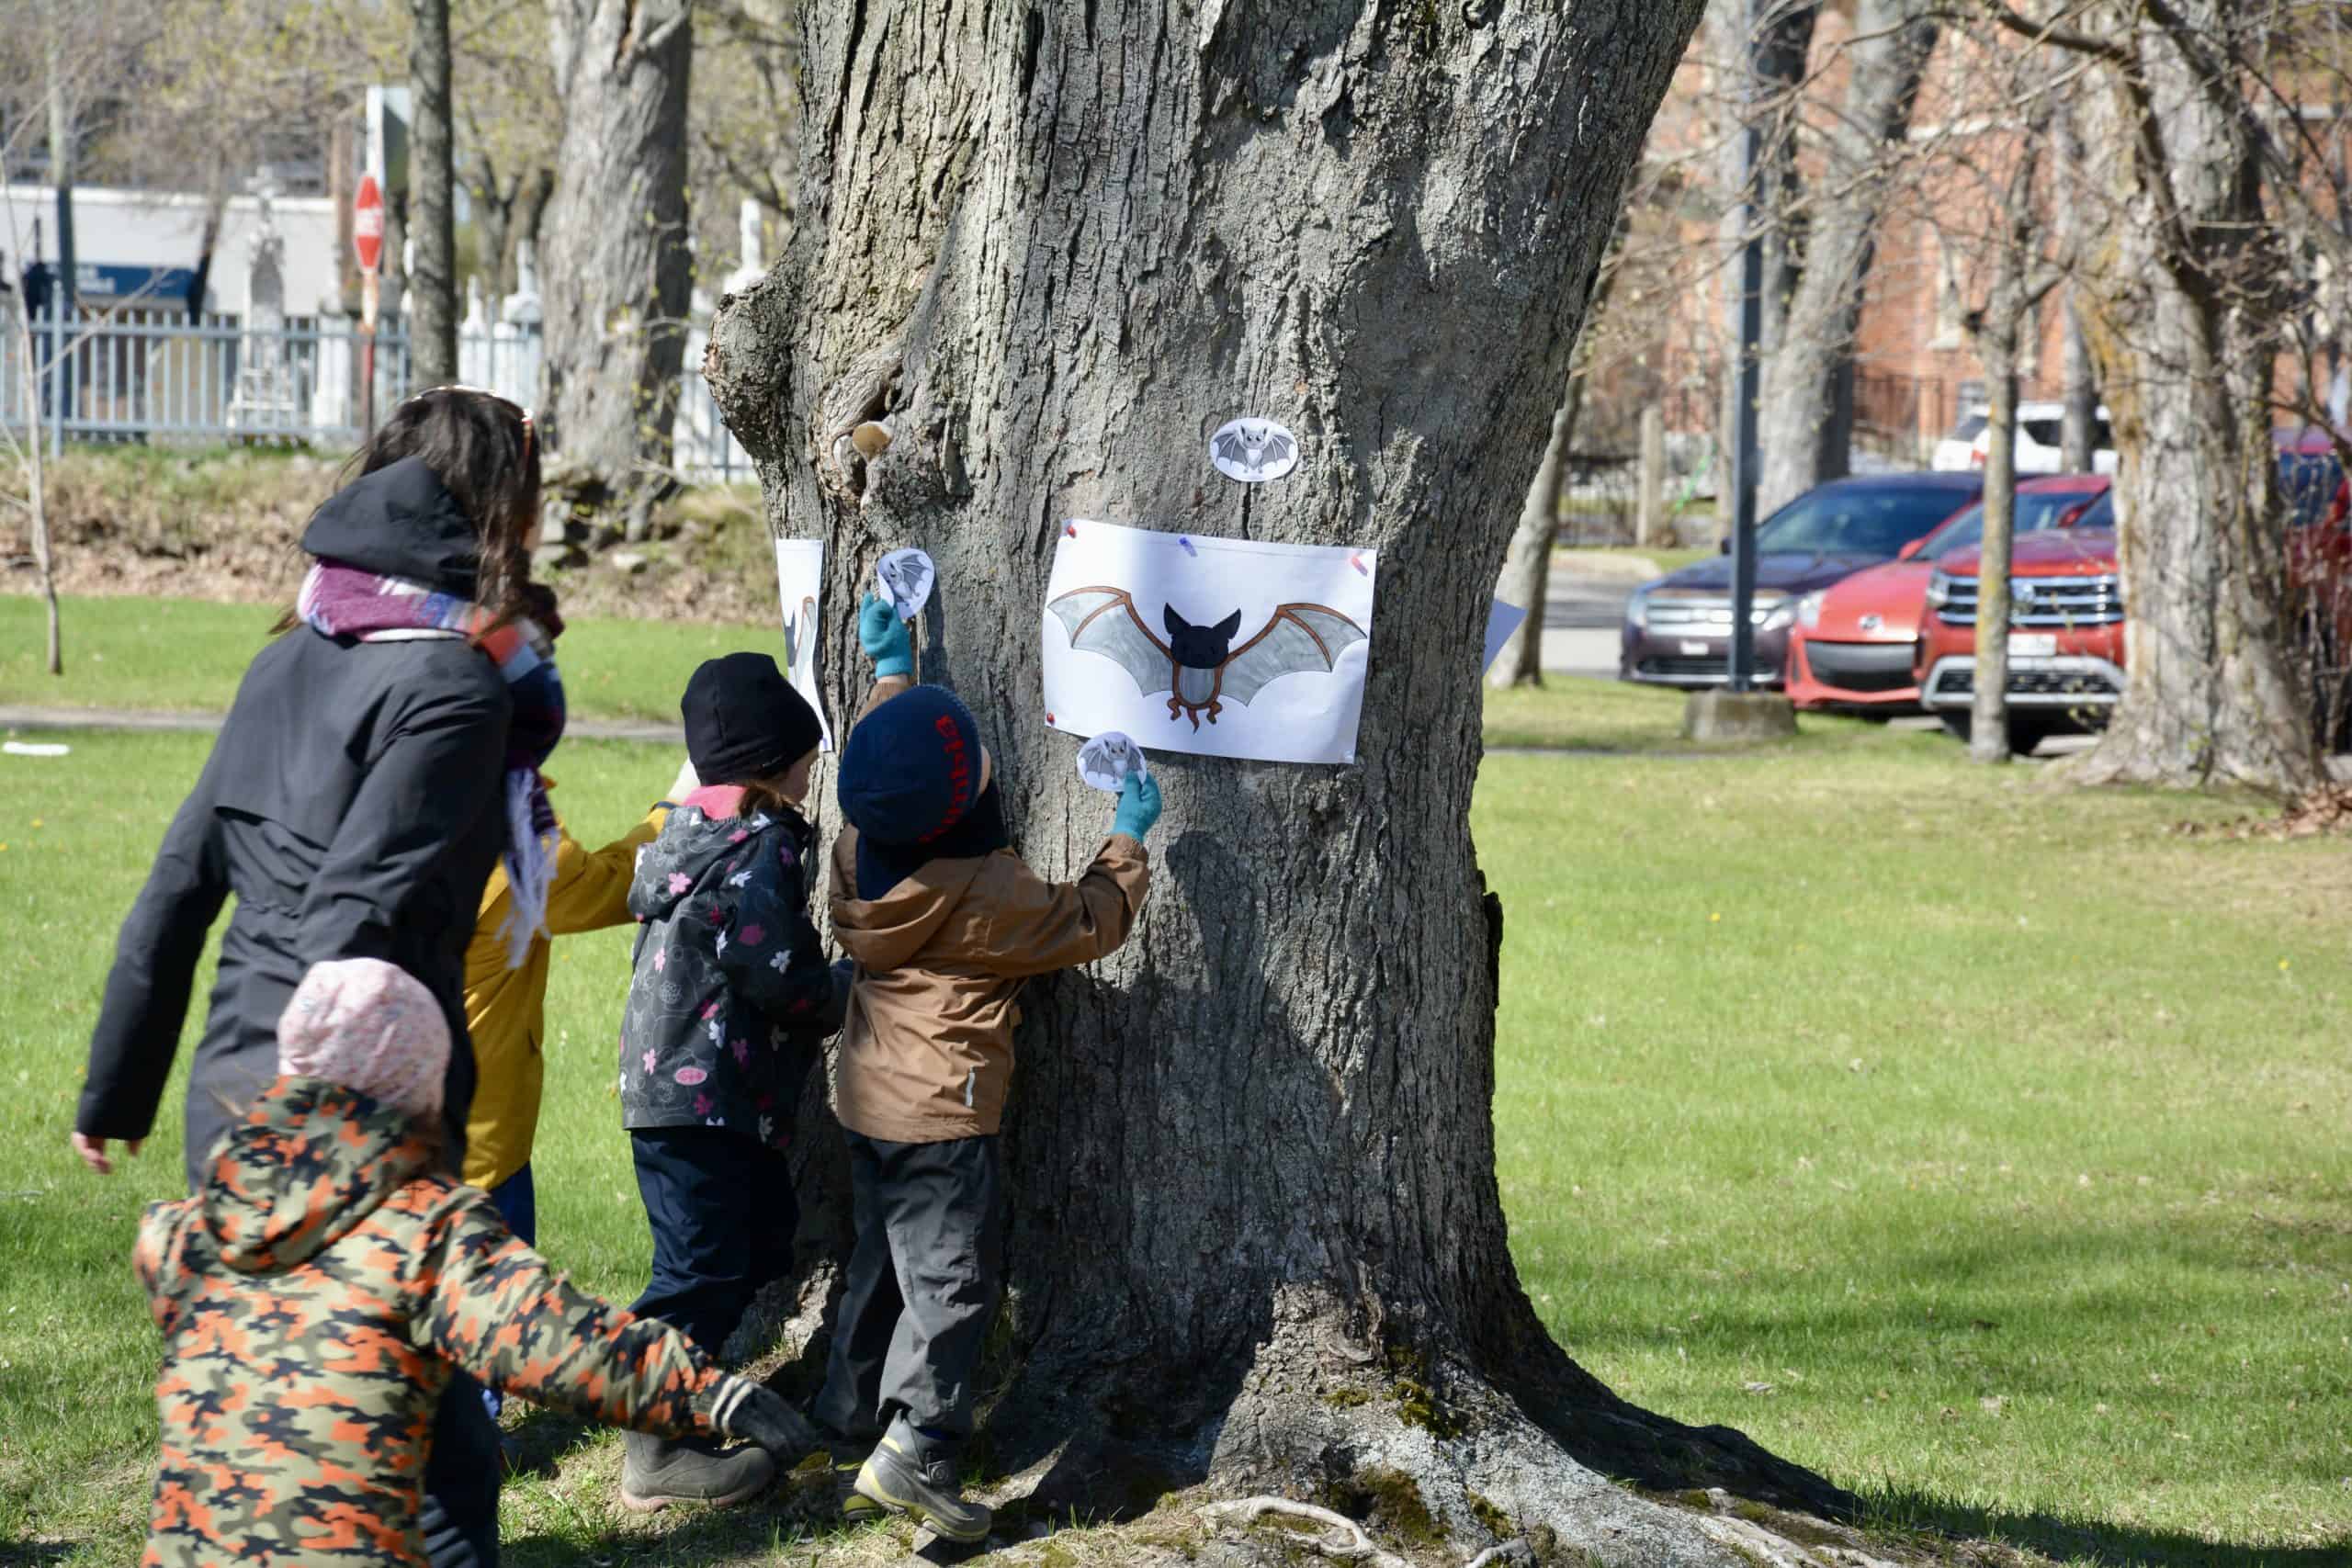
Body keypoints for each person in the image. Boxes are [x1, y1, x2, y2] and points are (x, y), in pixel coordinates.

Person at [75, 387, 555, 1568]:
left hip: (231, 1100)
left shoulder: (287, 659)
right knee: (434, 1464)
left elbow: (176, 890)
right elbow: (357, 916)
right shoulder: (454, 688)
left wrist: (116, 1090)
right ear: (495, 511)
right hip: (344, 1114)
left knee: (280, 1430)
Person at [136, 958, 816, 1568]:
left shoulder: (190, 1231)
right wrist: (705, 1390)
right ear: (416, 1090)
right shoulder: (420, 1230)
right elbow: (551, 1336)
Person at [814, 593, 1159, 1542]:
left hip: (866, 1096)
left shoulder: (857, 851)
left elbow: (892, 773)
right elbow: (1088, 919)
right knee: (950, 1283)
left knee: (878, 1262)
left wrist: (894, 676)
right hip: (941, 1113)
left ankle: (845, 1420)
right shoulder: (988, 894)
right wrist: (1127, 837)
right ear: (967, 805)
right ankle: (919, 1446)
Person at [616, 652, 846, 1511]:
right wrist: (841, 988)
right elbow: (769, 963)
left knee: (751, 1243)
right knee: (698, 1272)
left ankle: (692, 1394)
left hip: (675, 1091)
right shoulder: (760, 844)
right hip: (704, 1094)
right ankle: (654, 1449)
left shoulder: (688, 836)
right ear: (772, 763)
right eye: (805, 760)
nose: (812, 774)